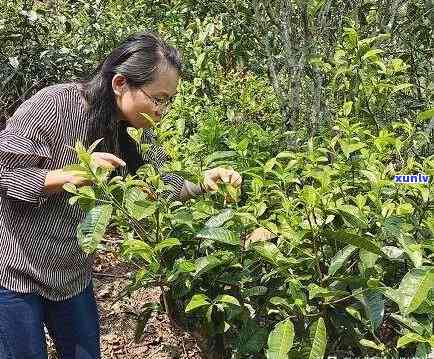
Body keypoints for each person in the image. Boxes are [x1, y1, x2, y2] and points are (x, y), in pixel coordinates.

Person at [0, 31, 242, 359]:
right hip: (16, 272)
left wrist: (201, 183)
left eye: (168, 101)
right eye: (157, 98)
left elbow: (150, 188)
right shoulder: (56, 105)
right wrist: (74, 175)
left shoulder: (126, 130)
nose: (162, 110)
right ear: (120, 84)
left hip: (70, 275)